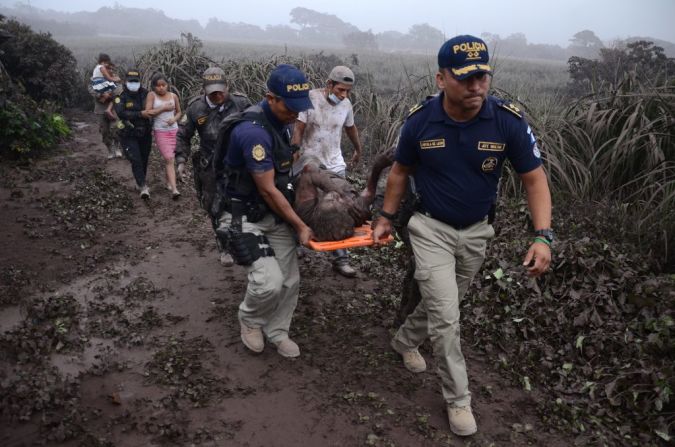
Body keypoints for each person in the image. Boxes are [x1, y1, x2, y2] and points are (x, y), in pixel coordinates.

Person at [372, 35, 553, 437]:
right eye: (466, 78)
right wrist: (385, 216)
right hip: (429, 227)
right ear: (441, 79)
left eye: (483, 77)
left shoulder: (507, 120)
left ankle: (403, 341)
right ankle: (458, 400)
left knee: (446, 303)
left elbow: (534, 179)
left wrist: (543, 236)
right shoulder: (420, 121)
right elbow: (400, 172)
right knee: (447, 317)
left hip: (476, 232)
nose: (476, 86)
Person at [213, 64, 314, 358]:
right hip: (243, 215)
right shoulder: (252, 133)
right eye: (289, 107)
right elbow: (268, 189)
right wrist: (300, 226)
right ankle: (250, 320)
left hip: (273, 213)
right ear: (271, 98)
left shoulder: (281, 122)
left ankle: (278, 330)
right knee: (268, 282)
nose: (295, 114)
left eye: (299, 108)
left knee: (290, 280)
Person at [291, 65, 363, 277]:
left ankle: (341, 259)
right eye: (340, 90)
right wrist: (295, 155)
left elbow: (350, 128)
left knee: (340, 209)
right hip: (310, 163)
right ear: (329, 84)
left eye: (348, 91)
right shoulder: (310, 99)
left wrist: (358, 149)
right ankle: (296, 245)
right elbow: (298, 128)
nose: (344, 95)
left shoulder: (346, 105)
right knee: (303, 206)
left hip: (334, 164)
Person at [175, 67, 251, 265]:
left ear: (227, 87)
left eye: (221, 90)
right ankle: (224, 246)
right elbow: (183, 135)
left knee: (242, 202)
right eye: (212, 92)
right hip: (210, 165)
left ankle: (243, 238)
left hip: (239, 164)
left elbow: (257, 127)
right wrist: (181, 160)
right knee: (214, 206)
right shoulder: (195, 108)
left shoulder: (241, 103)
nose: (217, 95)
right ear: (204, 90)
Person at [114, 68, 168, 199]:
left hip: (145, 132)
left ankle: (140, 182)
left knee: (144, 158)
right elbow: (120, 113)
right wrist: (140, 114)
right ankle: (143, 186)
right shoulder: (120, 95)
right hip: (128, 133)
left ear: (139, 81)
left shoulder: (146, 94)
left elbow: (155, 107)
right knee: (136, 159)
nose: (133, 83)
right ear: (126, 81)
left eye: (136, 81)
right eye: (131, 81)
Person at [145, 72, 182, 199]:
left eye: (163, 85)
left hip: (174, 131)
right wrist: (163, 109)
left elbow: (179, 112)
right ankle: (175, 190)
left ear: (167, 85)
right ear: (154, 86)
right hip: (160, 131)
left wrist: (174, 119)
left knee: (171, 159)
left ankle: (169, 182)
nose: (161, 88)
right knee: (169, 158)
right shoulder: (152, 95)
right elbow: (148, 112)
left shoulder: (174, 96)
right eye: (158, 85)